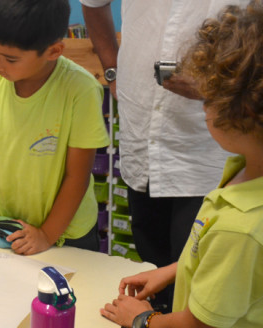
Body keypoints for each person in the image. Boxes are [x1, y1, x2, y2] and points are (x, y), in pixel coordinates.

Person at [101, 2, 263, 326]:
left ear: (242, 112)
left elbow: (197, 324)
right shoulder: (243, 176)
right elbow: (230, 265)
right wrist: (174, 270)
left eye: (209, 98)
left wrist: (143, 319)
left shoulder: (240, 225)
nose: (203, 109)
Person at [0, 0, 110, 255]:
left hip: (66, 231)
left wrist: (47, 234)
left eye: (11, 59)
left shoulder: (80, 90)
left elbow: (77, 175)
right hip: (4, 221)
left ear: (53, 51)